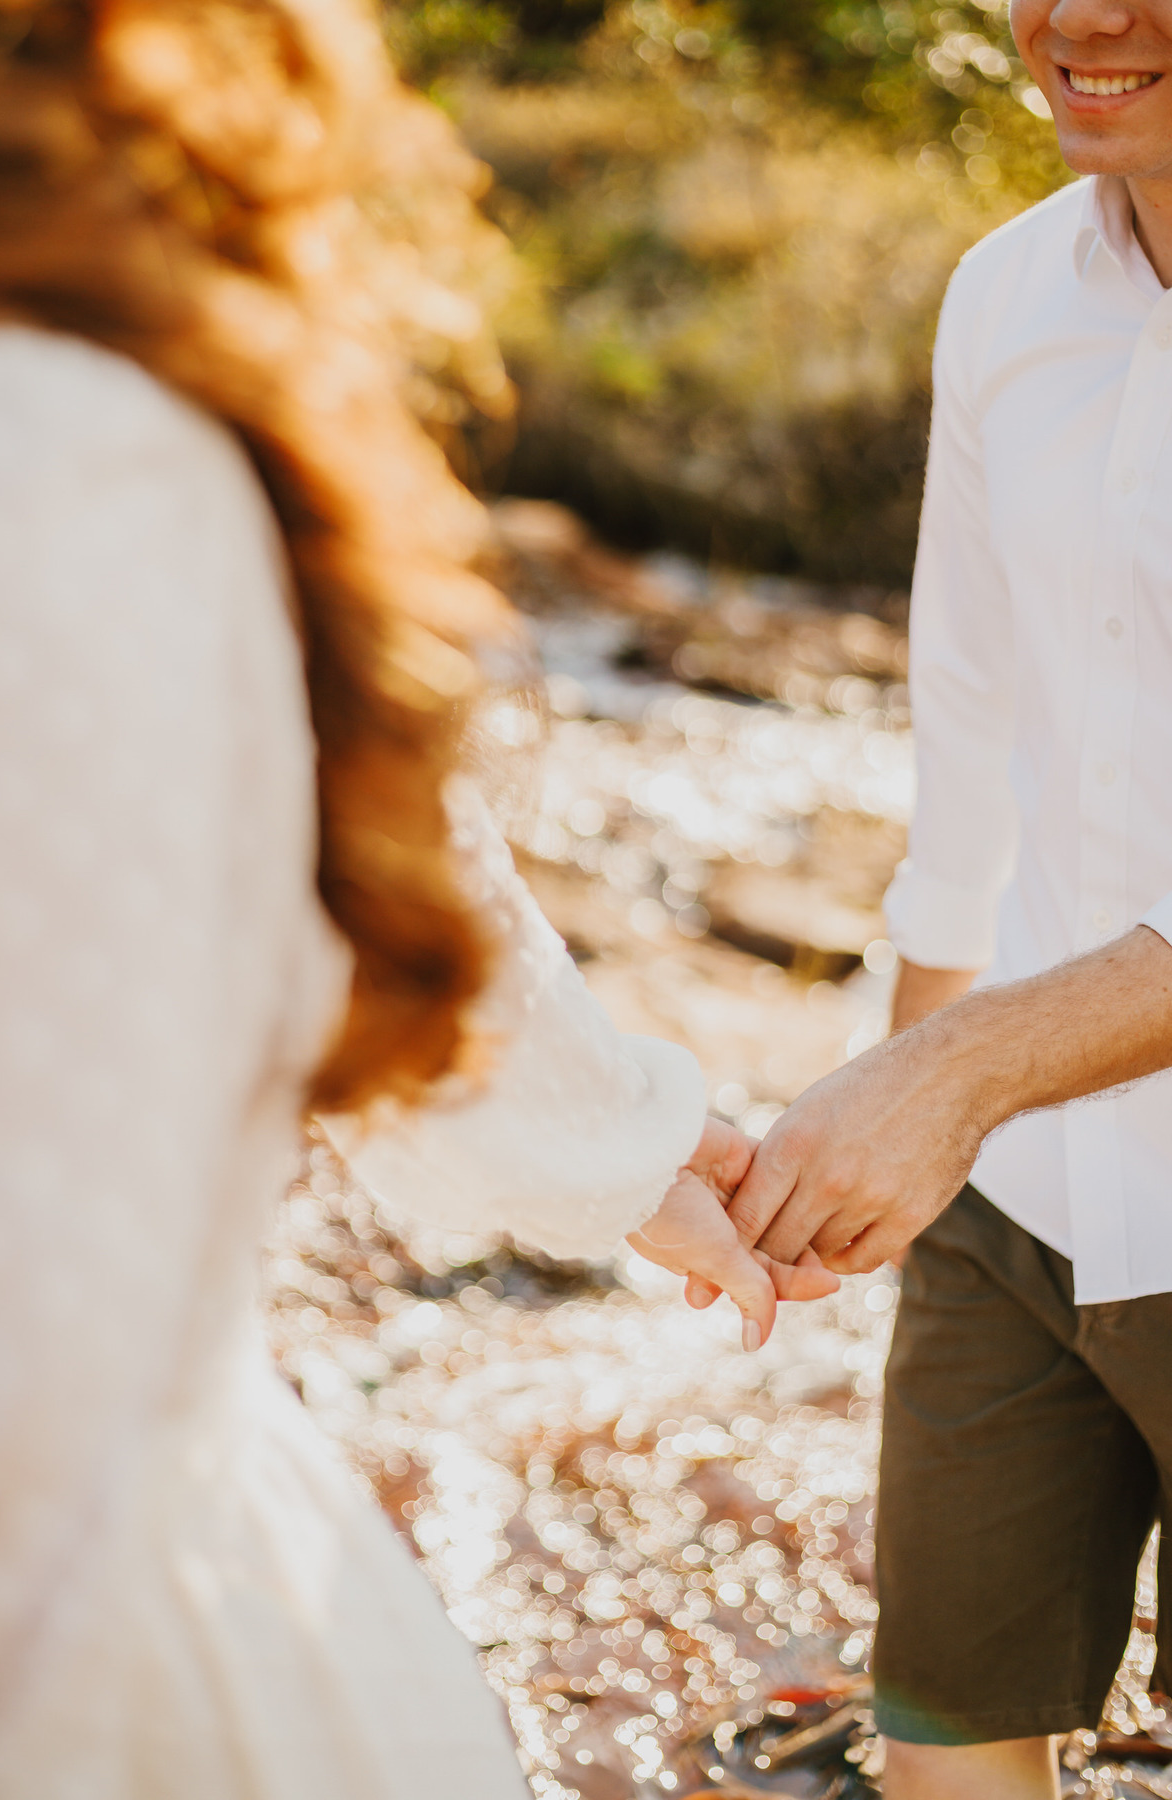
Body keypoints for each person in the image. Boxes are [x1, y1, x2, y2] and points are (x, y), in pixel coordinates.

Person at [0, 3, 837, 1794]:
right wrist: (630, 1161)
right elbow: (402, 880)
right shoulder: (116, 442)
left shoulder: (55, 460)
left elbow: (32, 1334)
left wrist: (629, 1163)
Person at [713, 3, 1172, 1796]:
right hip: (1016, 1205)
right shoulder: (1003, 295)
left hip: (1010, 1099)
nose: (1080, 17)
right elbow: (968, 735)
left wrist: (952, 1077)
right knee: (946, 1746)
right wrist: (902, 1141)